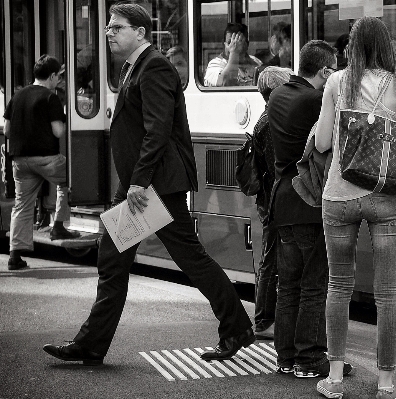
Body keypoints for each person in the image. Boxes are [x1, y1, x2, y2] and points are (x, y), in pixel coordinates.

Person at [43, 3, 254, 366]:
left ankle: (235, 327)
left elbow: (157, 131)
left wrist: (137, 184)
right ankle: (91, 344)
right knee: (119, 257)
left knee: (185, 259)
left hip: (155, 186)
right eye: (108, 28)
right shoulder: (135, 68)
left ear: (140, 32)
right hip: (143, 184)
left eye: (116, 27)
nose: (108, 33)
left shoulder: (154, 66)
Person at [314, 17, 396, 399]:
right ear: (386, 45)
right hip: (386, 195)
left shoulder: (336, 82)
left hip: (340, 195)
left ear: (353, 47)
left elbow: (325, 143)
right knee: (388, 293)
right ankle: (387, 384)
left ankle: (334, 378)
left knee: (339, 286)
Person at [268, 40, 351, 379]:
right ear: (325, 71)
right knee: (314, 285)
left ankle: (286, 357)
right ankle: (311, 358)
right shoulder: (316, 99)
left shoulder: (278, 95)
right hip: (309, 199)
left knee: (288, 285)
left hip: (283, 200)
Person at [3, 54, 80, 271]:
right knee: (70, 180)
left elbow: (8, 131)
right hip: (47, 160)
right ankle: (58, 226)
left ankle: (15, 256)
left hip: (20, 162)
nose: (59, 81)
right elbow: (58, 132)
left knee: (22, 204)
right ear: (53, 76)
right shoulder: (50, 97)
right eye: (59, 77)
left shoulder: (17, 96)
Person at [251, 66, 292, 339]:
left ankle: (265, 318)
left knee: (271, 257)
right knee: (271, 259)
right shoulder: (271, 123)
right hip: (274, 200)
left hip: (269, 198)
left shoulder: (265, 120)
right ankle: (264, 320)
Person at [204, 23, 262, 87]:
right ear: (224, 44)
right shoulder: (215, 64)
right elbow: (225, 83)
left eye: (239, 42)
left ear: (247, 44)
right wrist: (234, 53)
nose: (234, 46)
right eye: (230, 42)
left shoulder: (255, 62)